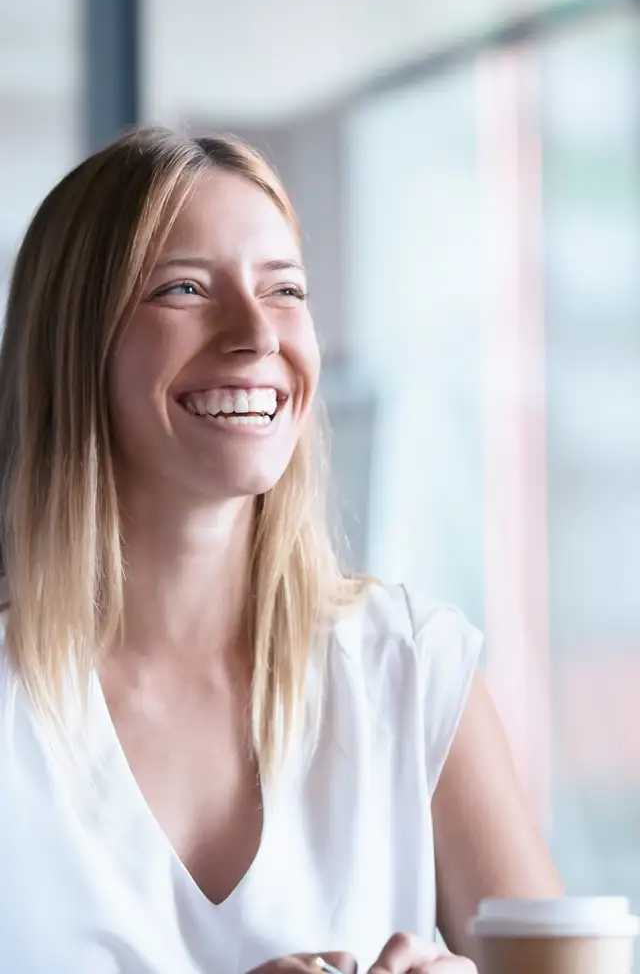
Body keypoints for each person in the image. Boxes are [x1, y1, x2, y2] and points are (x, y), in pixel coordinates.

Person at [0, 127, 562, 974]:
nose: (257, 335)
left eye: (285, 289)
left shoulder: (409, 670)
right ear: (76, 343)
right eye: (184, 287)